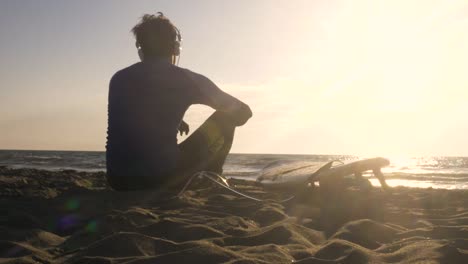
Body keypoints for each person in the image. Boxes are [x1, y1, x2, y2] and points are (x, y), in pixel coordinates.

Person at [106, 13, 252, 191]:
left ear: (140, 48)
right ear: (175, 48)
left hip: (118, 180)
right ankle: (213, 176)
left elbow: (140, 112)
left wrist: (174, 119)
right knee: (225, 117)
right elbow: (244, 112)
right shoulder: (188, 79)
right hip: (163, 178)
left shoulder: (119, 78)